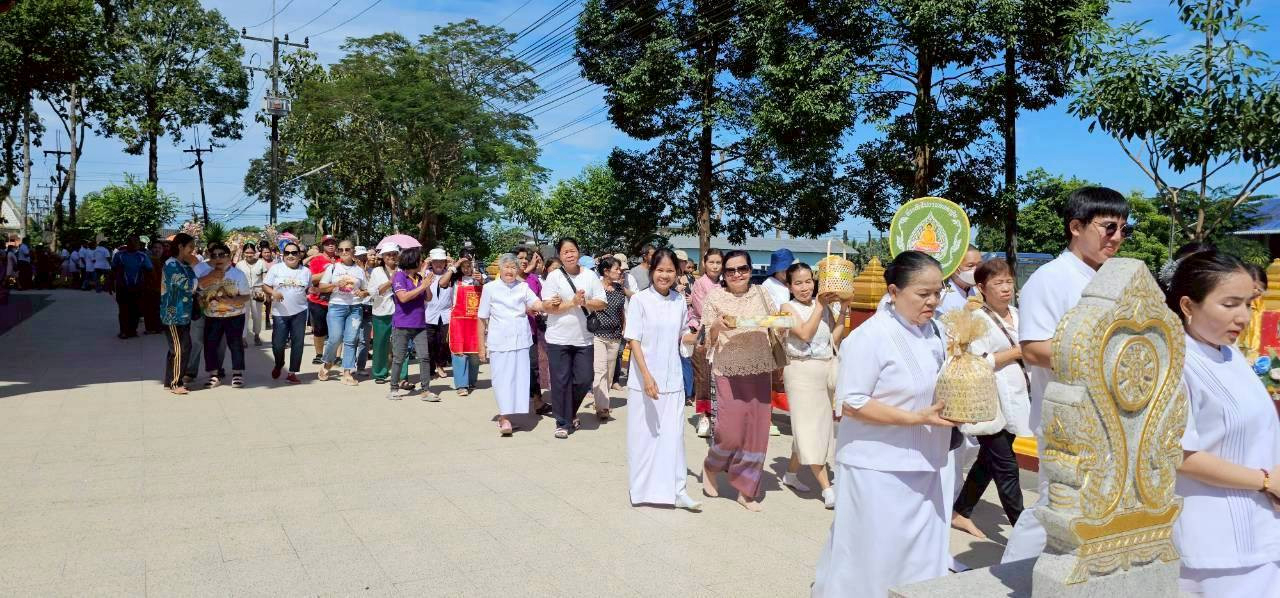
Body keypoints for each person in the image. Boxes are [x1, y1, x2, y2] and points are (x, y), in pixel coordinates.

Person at [1001, 186, 1131, 564]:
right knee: (1053, 505)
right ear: (1076, 226)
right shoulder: (1051, 278)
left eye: (1124, 229)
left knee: (1088, 508)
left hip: (1109, 415)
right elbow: (1033, 350)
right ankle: (1009, 577)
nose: (1117, 237)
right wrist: (1104, 357)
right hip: (1066, 419)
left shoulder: (1114, 278)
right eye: (1109, 227)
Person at [812, 250, 953, 597]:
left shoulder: (936, 332)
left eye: (938, 292)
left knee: (920, 555)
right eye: (923, 294)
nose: (932, 301)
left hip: (927, 461)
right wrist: (915, 418)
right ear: (893, 292)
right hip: (877, 467)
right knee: (872, 555)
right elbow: (852, 401)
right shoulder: (869, 337)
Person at [1167, 249, 1280, 597]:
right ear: (1188, 306)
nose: (1243, 317)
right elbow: (1182, 455)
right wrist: (1264, 481)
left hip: (1262, 527)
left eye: (1248, 304)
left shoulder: (1230, 355)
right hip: (1216, 544)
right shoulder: (1176, 363)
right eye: (1230, 304)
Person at [951, 258, 1031, 539]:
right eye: (998, 283)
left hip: (1018, 398)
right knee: (1007, 467)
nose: (1006, 287)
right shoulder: (977, 320)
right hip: (989, 403)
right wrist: (1015, 353)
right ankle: (1023, 530)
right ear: (983, 287)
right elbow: (975, 361)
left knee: (989, 461)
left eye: (1008, 281)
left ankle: (961, 511)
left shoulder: (1019, 314)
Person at [699, 249, 780, 512]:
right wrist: (717, 327)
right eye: (731, 270)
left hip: (760, 368)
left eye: (742, 269)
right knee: (730, 432)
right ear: (723, 273)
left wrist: (783, 323)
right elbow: (706, 339)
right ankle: (711, 466)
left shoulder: (762, 293)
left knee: (756, 432)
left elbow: (775, 325)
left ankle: (746, 490)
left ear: (750, 270)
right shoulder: (715, 297)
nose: (737, 274)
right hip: (728, 370)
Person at [623, 248, 702, 510]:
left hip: (672, 381)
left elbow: (682, 337)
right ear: (651, 271)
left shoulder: (679, 301)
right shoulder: (640, 301)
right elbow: (633, 339)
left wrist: (699, 335)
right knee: (644, 437)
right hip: (644, 381)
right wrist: (646, 377)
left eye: (670, 270)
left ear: (676, 272)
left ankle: (678, 490)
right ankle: (642, 490)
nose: (665, 275)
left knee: (674, 436)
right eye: (660, 270)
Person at [777, 262, 847, 509]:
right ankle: (827, 488)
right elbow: (805, 334)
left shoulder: (823, 307)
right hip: (800, 371)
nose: (805, 287)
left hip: (823, 370)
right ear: (789, 286)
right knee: (809, 428)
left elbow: (832, 338)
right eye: (798, 283)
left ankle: (791, 474)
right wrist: (820, 305)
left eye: (808, 281)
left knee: (813, 427)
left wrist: (844, 309)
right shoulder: (787, 308)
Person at [541, 237, 606, 439]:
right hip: (558, 337)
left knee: (584, 378)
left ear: (578, 252)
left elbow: (602, 303)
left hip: (583, 339)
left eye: (572, 251)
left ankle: (569, 412)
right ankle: (562, 422)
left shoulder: (590, 276)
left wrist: (584, 301)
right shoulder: (554, 278)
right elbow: (547, 306)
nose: (569, 255)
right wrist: (572, 302)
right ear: (559, 256)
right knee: (560, 381)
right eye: (565, 252)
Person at [478, 254, 548, 435]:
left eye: (513, 267)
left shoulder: (523, 287)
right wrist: (480, 347)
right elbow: (482, 319)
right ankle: (504, 418)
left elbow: (536, 303)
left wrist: (550, 304)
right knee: (502, 379)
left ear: (518, 270)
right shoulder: (490, 288)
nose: (510, 271)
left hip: (521, 340)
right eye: (507, 267)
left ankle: (510, 414)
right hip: (500, 341)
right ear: (500, 269)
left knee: (519, 379)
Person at [197, 242, 251, 389]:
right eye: (214, 255)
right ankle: (214, 375)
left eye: (222, 255)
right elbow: (198, 291)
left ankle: (237, 374)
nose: (218, 258)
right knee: (211, 346)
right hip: (212, 316)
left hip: (235, 316)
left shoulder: (238, 274)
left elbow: (246, 296)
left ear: (229, 257)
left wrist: (232, 300)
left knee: (235, 345)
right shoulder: (204, 274)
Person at [389, 247, 439, 401]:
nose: (423, 262)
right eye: (420, 259)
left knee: (424, 357)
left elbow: (428, 298)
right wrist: (422, 286)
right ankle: (393, 388)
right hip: (402, 324)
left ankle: (425, 390)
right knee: (399, 357)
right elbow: (403, 297)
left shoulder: (419, 277)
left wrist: (427, 284)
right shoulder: (399, 276)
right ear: (413, 260)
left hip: (419, 324)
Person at [316, 240, 368, 386]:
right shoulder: (333, 268)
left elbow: (367, 290)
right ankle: (327, 363)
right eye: (341, 249)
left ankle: (347, 372)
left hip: (355, 308)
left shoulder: (359, 270)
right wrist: (335, 285)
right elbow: (322, 288)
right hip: (336, 307)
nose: (344, 252)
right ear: (338, 252)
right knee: (335, 338)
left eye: (348, 249)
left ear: (353, 251)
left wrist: (362, 293)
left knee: (351, 340)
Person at [262, 242, 311, 384]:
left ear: (299, 255)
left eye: (294, 253)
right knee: (278, 344)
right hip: (280, 313)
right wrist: (273, 293)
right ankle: (279, 363)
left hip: (300, 312)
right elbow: (265, 286)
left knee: (298, 343)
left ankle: (292, 372)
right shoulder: (276, 269)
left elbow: (306, 289)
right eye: (287, 253)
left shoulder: (306, 271)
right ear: (283, 255)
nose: (290, 255)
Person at [688, 249, 722, 437]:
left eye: (718, 262)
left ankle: (718, 416)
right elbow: (703, 309)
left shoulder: (725, 284)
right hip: (704, 333)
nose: (715, 266)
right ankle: (704, 416)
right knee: (703, 376)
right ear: (704, 263)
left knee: (720, 378)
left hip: (724, 334)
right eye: (712, 262)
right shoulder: (700, 284)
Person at [590, 256, 627, 421]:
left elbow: (621, 311)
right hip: (597, 335)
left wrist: (624, 328)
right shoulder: (595, 288)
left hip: (615, 335)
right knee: (600, 371)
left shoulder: (620, 289)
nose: (619, 271)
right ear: (606, 271)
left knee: (610, 373)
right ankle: (602, 407)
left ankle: (601, 400)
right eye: (616, 269)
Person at [160, 234, 199, 396]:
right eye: (191, 246)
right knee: (180, 349)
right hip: (173, 314)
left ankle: (170, 380)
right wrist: (198, 269)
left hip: (184, 313)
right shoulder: (171, 265)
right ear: (181, 247)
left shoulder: (184, 265)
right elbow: (187, 285)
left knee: (180, 348)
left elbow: (196, 284)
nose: (193, 250)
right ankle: (176, 383)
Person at [368, 245, 407, 385]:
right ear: (383, 257)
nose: (391, 257)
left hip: (401, 312)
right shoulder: (377, 271)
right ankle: (380, 373)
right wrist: (390, 281)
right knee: (380, 344)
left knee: (401, 344)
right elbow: (372, 292)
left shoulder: (404, 270)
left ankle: (402, 375)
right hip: (381, 311)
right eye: (387, 254)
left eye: (394, 254)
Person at [449, 257, 484, 396]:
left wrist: (481, 280)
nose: (466, 269)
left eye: (469, 266)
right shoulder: (454, 281)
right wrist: (453, 266)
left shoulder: (481, 279)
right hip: (459, 322)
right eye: (463, 266)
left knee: (475, 353)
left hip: (475, 322)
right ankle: (461, 385)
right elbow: (442, 283)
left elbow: (489, 289)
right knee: (459, 352)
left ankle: (471, 381)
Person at [423, 248, 456, 380]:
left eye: (441, 261)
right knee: (429, 342)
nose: (438, 264)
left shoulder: (450, 274)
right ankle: (431, 368)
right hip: (429, 313)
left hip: (446, 313)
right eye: (435, 261)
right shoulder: (426, 273)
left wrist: (452, 263)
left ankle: (440, 365)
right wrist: (425, 263)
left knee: (443, 342)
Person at [111, 236, 152, 339]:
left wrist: (147, 285)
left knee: (136, 310)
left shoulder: (142, 256)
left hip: (138, 287)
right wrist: (110, 284)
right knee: (124, 310)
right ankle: (124, 331)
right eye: (132, 242)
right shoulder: (119, 255)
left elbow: (149, 269)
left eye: (136, 243)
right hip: (122, 287)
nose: (134, 244)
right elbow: (113, 270)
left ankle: (133, 331)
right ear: (127, 243)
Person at [307, 235, 339, 365]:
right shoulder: (316, 260)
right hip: (318, 300)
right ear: (323, 245)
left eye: (333, 243)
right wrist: (329, 270)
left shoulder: (341, 259)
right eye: (327, 243)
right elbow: (312, 279)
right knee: (319, 329)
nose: (330, 245)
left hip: (337, 299)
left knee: (336, 331)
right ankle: (319, 354)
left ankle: (336, 356)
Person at [237, 244, 268, 347]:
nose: (249, 255)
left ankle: (257, 335)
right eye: (247, 252)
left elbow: (265, 279)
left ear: (255, 252)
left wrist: (266, 292)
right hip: (243, 292)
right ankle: (243, 337)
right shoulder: (239, 264)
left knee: (257, 315)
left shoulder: (261, 263)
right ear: (243, 253)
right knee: (244, 315)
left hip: (257, 291)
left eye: (251, 252)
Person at [937, 245, 982, 315]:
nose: (976, 270)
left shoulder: (979, 291)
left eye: (979, 265)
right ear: (955, 267)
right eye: (970, 266)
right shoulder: (941, 295)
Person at [141, 240, 166, 334]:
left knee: (160, 309)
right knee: (149, 309)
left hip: (162, 289)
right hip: (149, 288)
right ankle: (150, 328)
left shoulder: (166, 261)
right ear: (151, 249)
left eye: (159, 248)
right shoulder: (146, 260)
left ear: (163, 250)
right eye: (155, 247)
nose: (157, 250)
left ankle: (159, 327)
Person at [259, 242, 276, 330]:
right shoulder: (258, 262)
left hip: (271, 287)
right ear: (261, 253)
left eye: (268, 252)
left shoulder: (275, 263)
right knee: (261, 305)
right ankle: (259, 322)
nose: (266, 254)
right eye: (264, 252)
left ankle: (267, 320)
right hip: (260, 286)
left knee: (269, 304)